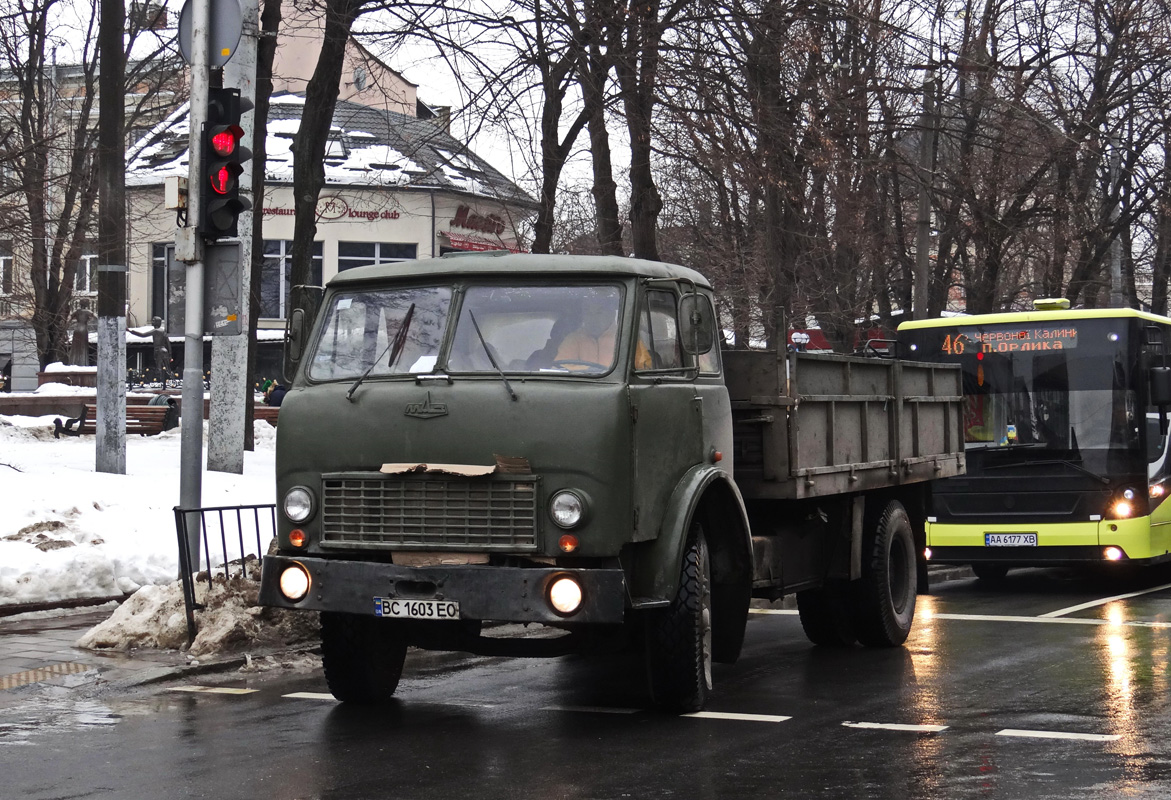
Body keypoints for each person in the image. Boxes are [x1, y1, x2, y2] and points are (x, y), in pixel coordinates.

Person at [555, 297, 651, 370]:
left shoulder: (626, 339)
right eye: (587, 312)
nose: (592, 318)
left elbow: (644, 371)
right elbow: (560, 369)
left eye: (599, 312)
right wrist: (590, 372)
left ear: (611, 314)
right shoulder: (573, 339)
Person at [129, 316, 171, 383]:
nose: (152, 322)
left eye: (154, 321)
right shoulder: (163, 331)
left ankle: (159, 382)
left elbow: (143, 335)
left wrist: (131, 331)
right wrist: (170, 354)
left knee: (159, 367)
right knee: (167, 368)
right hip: (165, 350)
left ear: (157, 322)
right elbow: (168, 344)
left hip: (158, 350)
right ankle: (169, 380)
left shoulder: (155, 331)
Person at [68, 299, 96, 366]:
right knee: (83, 346)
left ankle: (74, 362)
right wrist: (89, 320)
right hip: (83, 328)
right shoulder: (88, 312)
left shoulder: (77, 312)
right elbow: (96, 318)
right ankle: (83, 362)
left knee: (75, 347)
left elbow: (69, 320)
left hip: (77, 328)